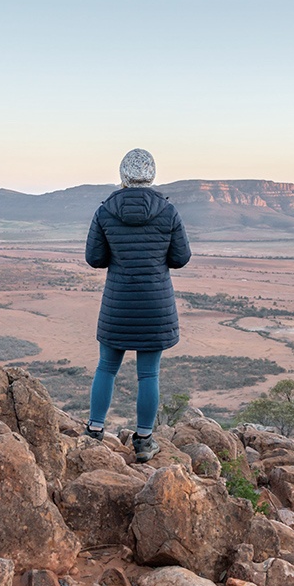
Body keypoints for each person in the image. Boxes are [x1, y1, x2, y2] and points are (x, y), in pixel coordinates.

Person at [84, 148, 191, 462]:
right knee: (149, 374)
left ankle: (93, 431)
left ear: (123, 176)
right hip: (155, 307)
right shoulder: (168, 212)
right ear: (152, 175)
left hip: (118, 304)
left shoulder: (105, 211)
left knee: (106, 368)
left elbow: (94, 258)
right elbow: (181, 258)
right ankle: (144, 441)